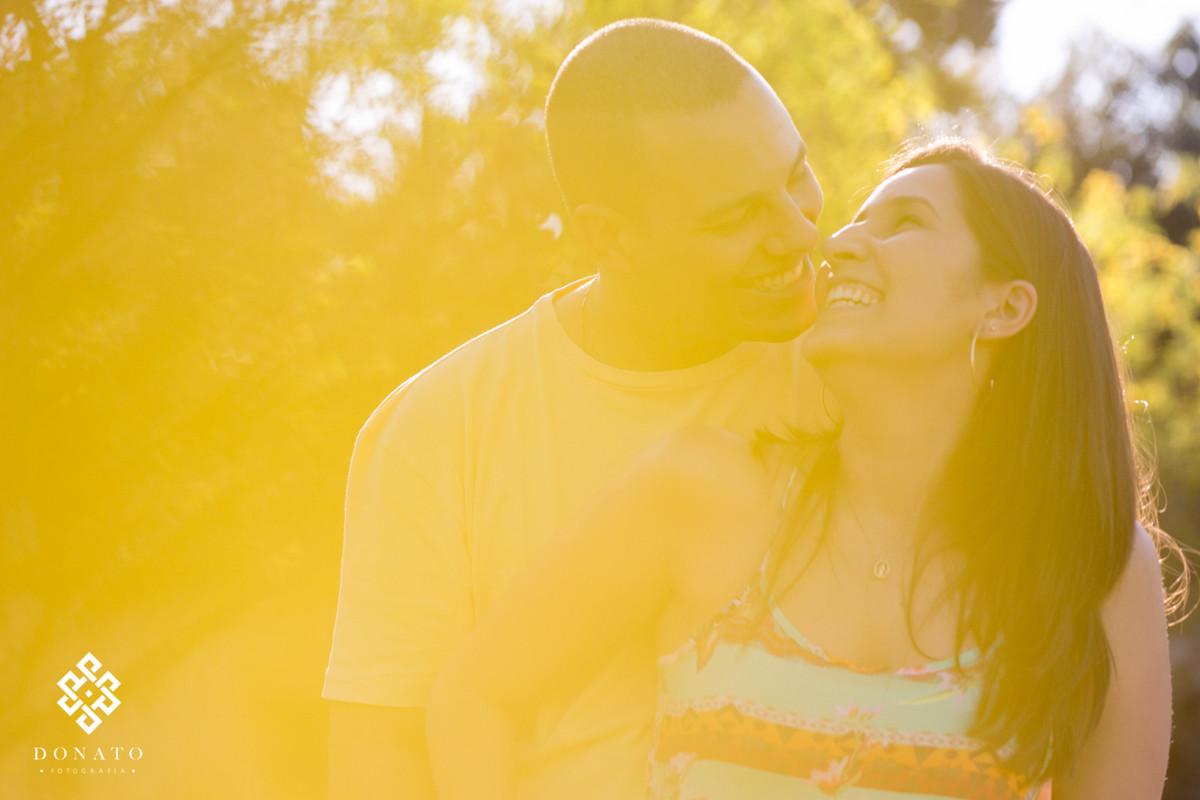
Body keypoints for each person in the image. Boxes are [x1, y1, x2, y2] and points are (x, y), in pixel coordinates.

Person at [425, 140, 1190, 799]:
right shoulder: (708, 492)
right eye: (855, 220)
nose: (840, 243)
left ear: (1004, 308)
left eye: (905, 224)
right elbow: (476, 695)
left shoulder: (1096, 566)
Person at [323, 18, 828, 800]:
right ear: (610, 238)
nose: (799, 233)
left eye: (797, 176)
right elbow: (381, 752)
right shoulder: (433, 430)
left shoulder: (860, 367)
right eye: (736, 218)